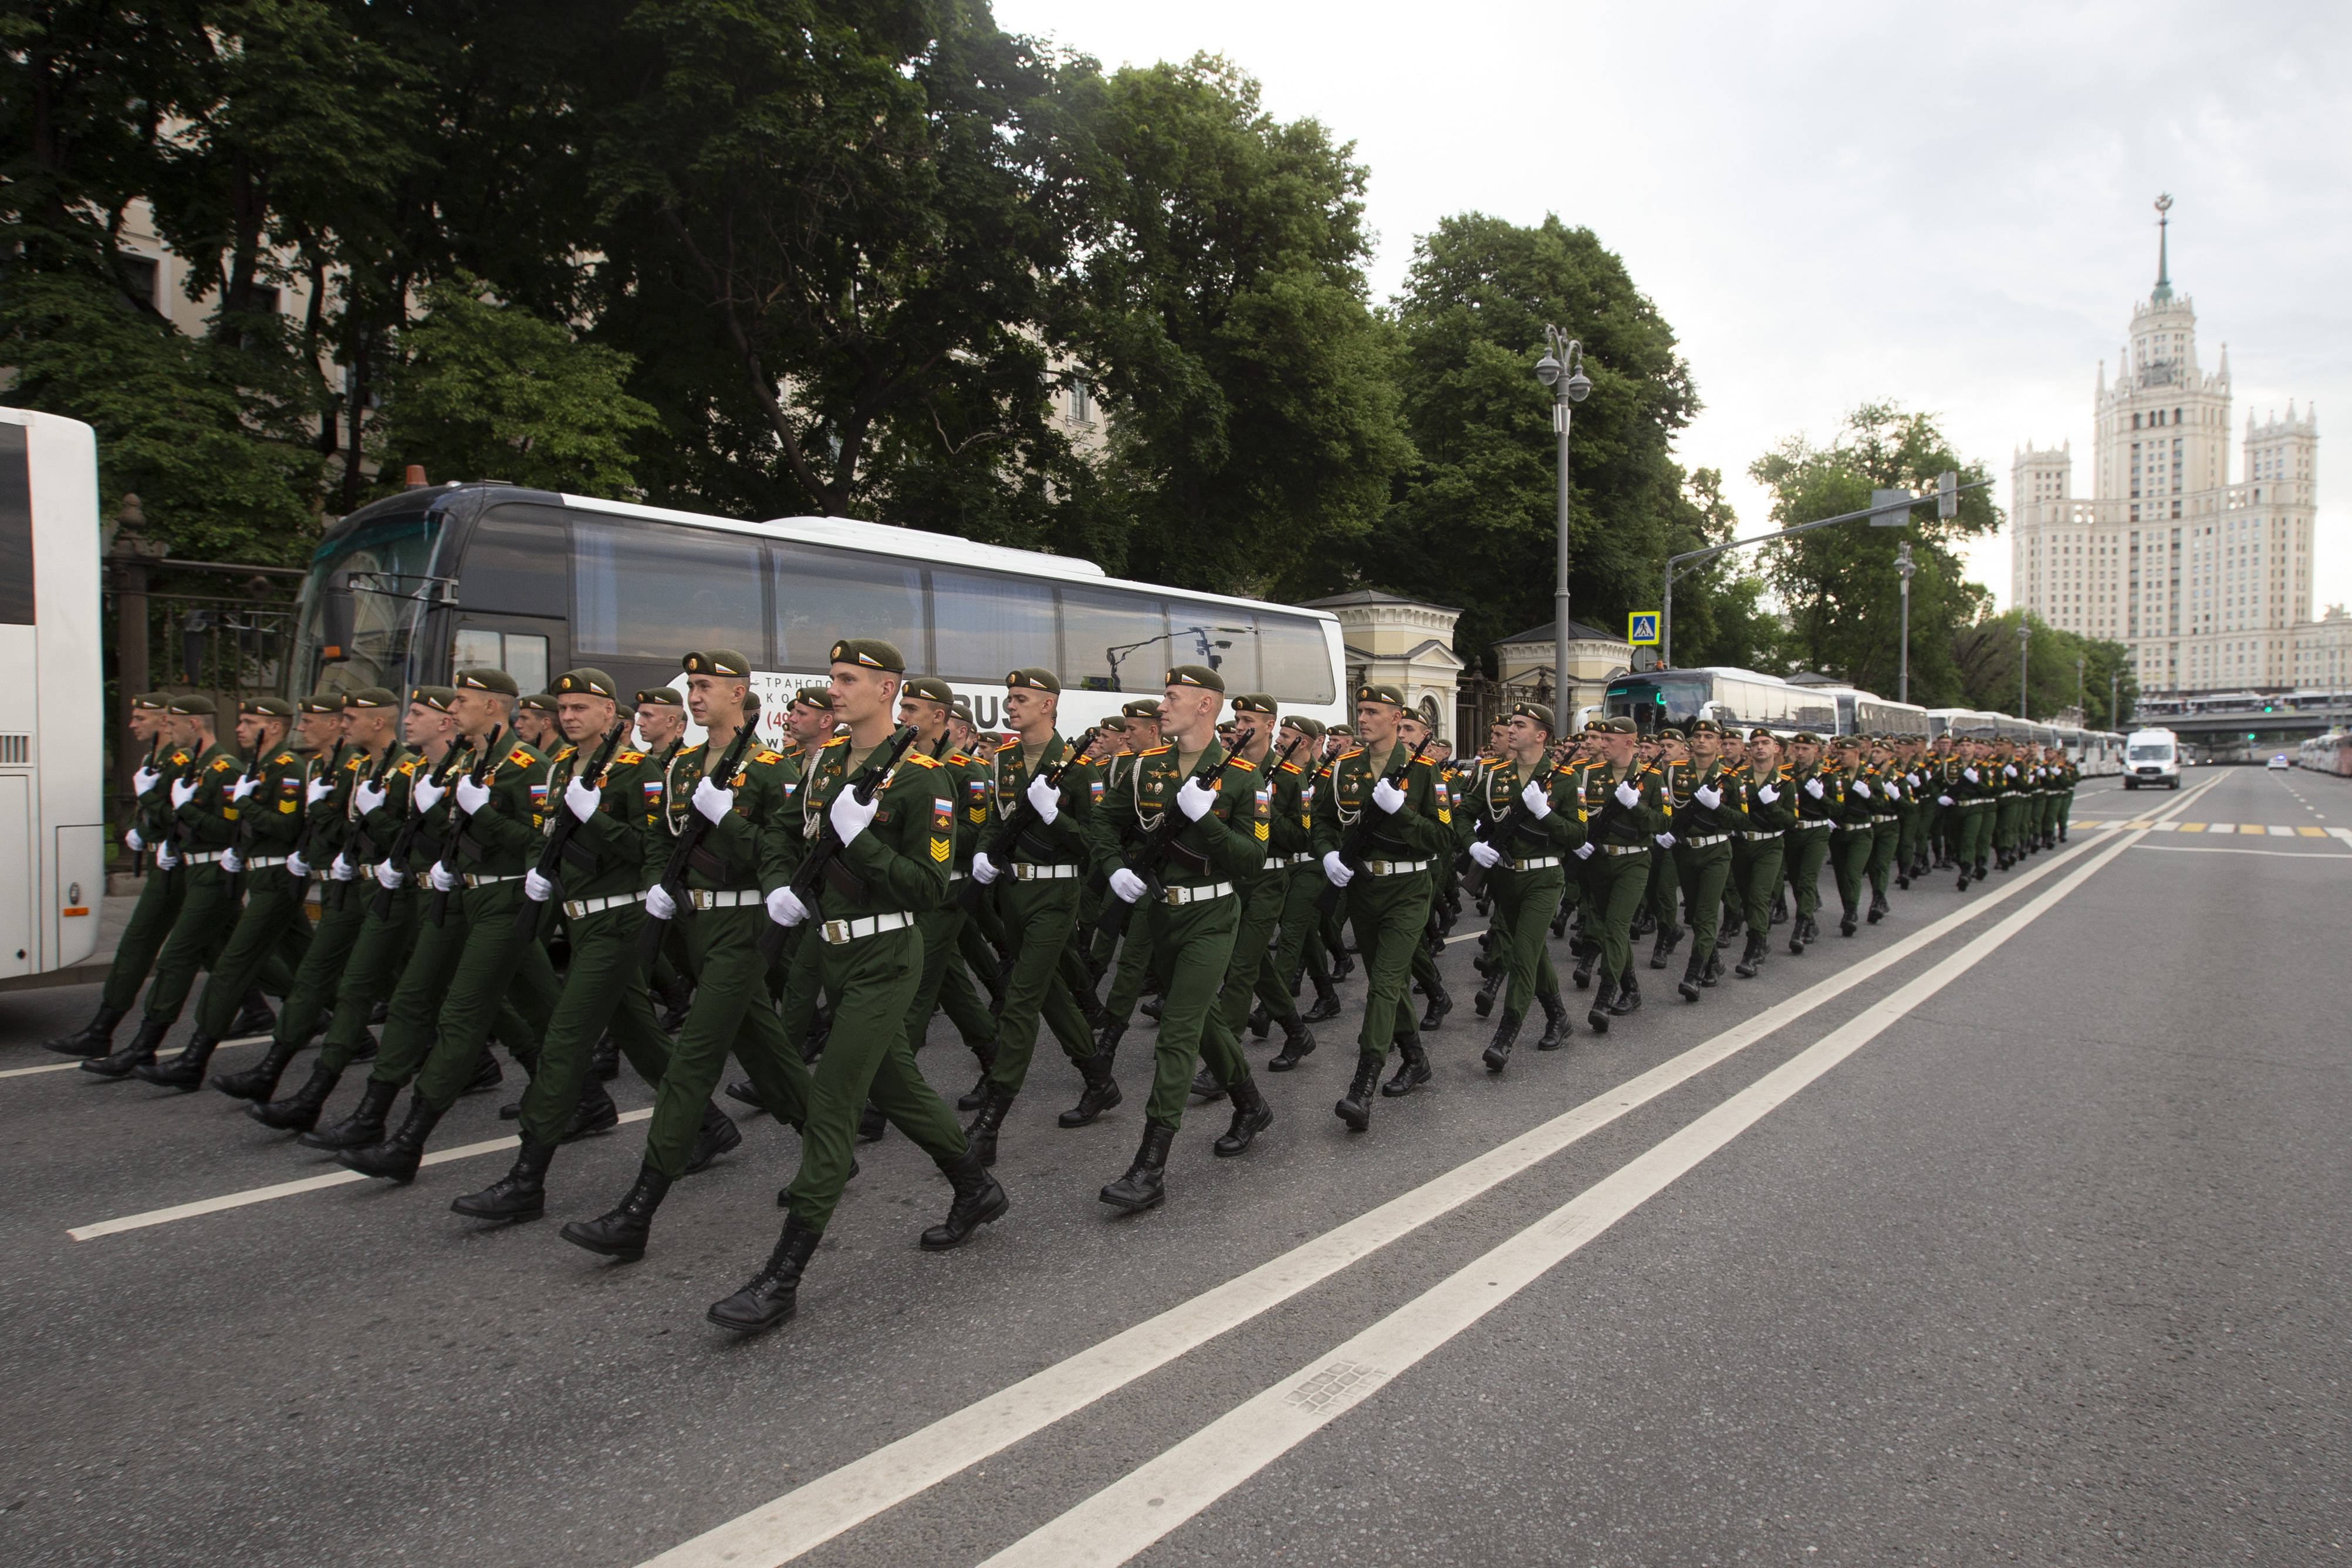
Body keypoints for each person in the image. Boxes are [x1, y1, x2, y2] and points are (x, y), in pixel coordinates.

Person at [703, 637, 1003, 1335]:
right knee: (895, 1084)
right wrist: (778, 884)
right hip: (831, 949)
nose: (832, 689)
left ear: (887, 687)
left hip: (885, 956)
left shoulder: (924, 777)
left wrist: (862, 841)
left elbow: (930, 886)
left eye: (846, 678)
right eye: (831, 677)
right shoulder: (822, 764)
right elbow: (781, 834)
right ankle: (975, 1185)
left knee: (835, 1100)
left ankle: (782, 1278)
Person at [561, 651, 812, 1261]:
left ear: (739, 692)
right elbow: (658, 841)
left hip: (747, 922)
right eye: (692, 687)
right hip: (699, 923)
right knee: (763, 1046)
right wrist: (657, 882)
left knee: (693, 1059)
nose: (695, 696)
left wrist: (730, 822)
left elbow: (785, 852)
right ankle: (831, 1143)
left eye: (706, 686)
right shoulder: (678, 768)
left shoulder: (772, 768)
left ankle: (639, 1208)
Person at [450, 667, 703, 1221]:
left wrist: (597, 825)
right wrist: (545, 866)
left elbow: (651, 848)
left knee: (566, 1043)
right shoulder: (562, 766)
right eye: (563, 709)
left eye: (580, 708)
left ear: (609, 714)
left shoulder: (639, 771)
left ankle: (527, 1179)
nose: (568, 717)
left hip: (619, 921)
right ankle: (707, 1125)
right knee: (639, 1033)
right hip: (578, 918)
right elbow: (546, 831)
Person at [334, 668, 563, 1181]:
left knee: (463, 1016)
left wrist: (478, 814)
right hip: (460, 895)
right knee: (420, 997)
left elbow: (536, 844)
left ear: (492, 708)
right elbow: (453, 830)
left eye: (461, 701)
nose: (451, 711)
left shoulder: (529, 765)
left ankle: (407, 1140)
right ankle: (372, 1114)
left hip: (506, 897)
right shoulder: (468, 760)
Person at [1083, 665, 1272, 1204]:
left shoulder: (1240, 777)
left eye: (1172, 697)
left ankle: (1149, 1167)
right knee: (1204, 1020)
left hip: (1212, 915)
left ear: (1206, 705)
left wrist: (1206, 821)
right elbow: (1103, 822)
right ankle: (1252, 1106)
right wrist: (1115, 864)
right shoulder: (1147, 768)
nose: (1161, 706)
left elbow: (1252, 861)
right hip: (1159, 913)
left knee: (1178, 1031)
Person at [215, 688, 402, 1106]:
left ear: (374, 721)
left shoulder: (394, 768)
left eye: (350, 717)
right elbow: (338, 830)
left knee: (414, 987)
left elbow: (391, 835)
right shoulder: (335, 767)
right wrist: (311, 847)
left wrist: (321, 815)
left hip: (389, 891)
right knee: (319, 979)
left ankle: (490, 1057)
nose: (300, 728)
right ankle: (275, 1073)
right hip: (346, 885)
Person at [960, 668, 1111, 1167]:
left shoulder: (1079, 767)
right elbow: (992, 823)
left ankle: (992, 1119)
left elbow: (1095, 844)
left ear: (1048, 705)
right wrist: (984, 854)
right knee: (1046, 991)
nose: (1011, 706)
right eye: (1010, 698)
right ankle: (1098, 1079)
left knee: (1020, 998)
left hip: (1055, 892)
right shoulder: (1002, 760)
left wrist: (1054, 817)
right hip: (1011, 892)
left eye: (1021, 699)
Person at [131, 697, 316, 1089]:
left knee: (233, 966)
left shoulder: (287, 768)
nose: (239, 728)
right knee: (309, 966)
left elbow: (284, 828)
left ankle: (193, 1060)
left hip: (279, 879)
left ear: (275, 728)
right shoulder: (258, 767)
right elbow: (239, 828)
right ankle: (353, 1038)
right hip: (257, 876)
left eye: (249, 722)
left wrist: (243, 803)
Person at [82, 695, 254, 1079]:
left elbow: (225, 830)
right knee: (229, 954)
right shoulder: (192, 765)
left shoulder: (224, 769)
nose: (166, 729)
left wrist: (178, 810)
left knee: (180, 957)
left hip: (216, 873)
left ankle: (146, 1048)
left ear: (193, 725)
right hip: (190, 870)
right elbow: (173, 819)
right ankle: (278, 1010)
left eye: (171, 724)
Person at [1313, 682, 1451, 1132]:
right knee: (1382, 981)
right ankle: (1415, 1058)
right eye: (1361, 710)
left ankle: (1362, 1086)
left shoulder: (1425, 771)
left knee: (1385, 984)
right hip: (1362, 889)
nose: (1364, 718)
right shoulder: (1343, 769)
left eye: (1374, 711)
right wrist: (1329, 854)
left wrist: (1403, 814)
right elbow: (1321, 821)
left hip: (1409, 889)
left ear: (1397, 719)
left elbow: (1442, 839)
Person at [45, 695, 191, 1058]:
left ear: (163, 722)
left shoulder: (183, 761)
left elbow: (179, 815)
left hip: (181, 868)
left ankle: (104, 1031)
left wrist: (154, 833)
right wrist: (141, 830)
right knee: (224, 949)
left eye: (141, 717)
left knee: (139, 944)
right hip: (172, 865)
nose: (132, 725)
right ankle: (259, 1009)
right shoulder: (153, 760)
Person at [1461, 701, 1581, 1067]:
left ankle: (1506, 1035)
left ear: (1541, 734)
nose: (1511, 730)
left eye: (1520, 725)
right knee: (1535, 952)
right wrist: (1473, 845)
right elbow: (1461, 814)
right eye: (1510, 724)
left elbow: (1578, 835)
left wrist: (1545, 813)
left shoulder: (1564, 778)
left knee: (1522, 954)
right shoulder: (1496, 775)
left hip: (1544, 878)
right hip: (1504, 878)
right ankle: (1558, 1016)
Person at [1568, 717, 1671, 1032]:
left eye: (1609, 741)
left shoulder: (1653, 778)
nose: (1602, 745)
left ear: (1629, 743)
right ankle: (1632, 989)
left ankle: (1606, 994)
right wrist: (1579, 843)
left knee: (1615, 926)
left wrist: (1636, 806)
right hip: (1599, 861)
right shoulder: (1589, 774)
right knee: (1605, 926)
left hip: (1634, 862)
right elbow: (1580, 816)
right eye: (1601, 740)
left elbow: (1664, 824)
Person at [1666, 718, 1737, 1001]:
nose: (1702, 740)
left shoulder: (1731, 776)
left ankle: (1693, 975)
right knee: (1695, 915)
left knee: (1707, 915)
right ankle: (1714, 962)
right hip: (1685, 850)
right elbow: (1667, 809)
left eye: (1709, 736)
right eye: (1698, 736)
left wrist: (1718, 807)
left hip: (1716, 851)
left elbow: (1741, 818)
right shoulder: (1675, 773)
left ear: (1719, 744)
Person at [1729, 728, 1792, 979]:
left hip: (1770, 845)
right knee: (1745, 896)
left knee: (1758, 896)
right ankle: (1759, 938)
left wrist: (1772, 806)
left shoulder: (1785, 781)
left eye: (1765, 743)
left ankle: (1754, 947)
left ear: (1776, 748)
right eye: (1754, 744)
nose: (1759, 747)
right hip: (1742, 844)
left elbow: (1790, 820)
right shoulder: (1738, 778)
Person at [1781, 731, 1840, 952]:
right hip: (1793, 832)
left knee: (1806, 879)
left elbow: (1837, 808)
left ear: (1816, 749)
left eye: (1805, 748)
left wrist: (1821, 797)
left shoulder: (1828, 774)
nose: (1800, 752)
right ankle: (1810, 923)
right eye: (1797, 748)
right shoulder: (1785, 773)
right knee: (1796, 880)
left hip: (1817, 831)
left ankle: (1801, 925)